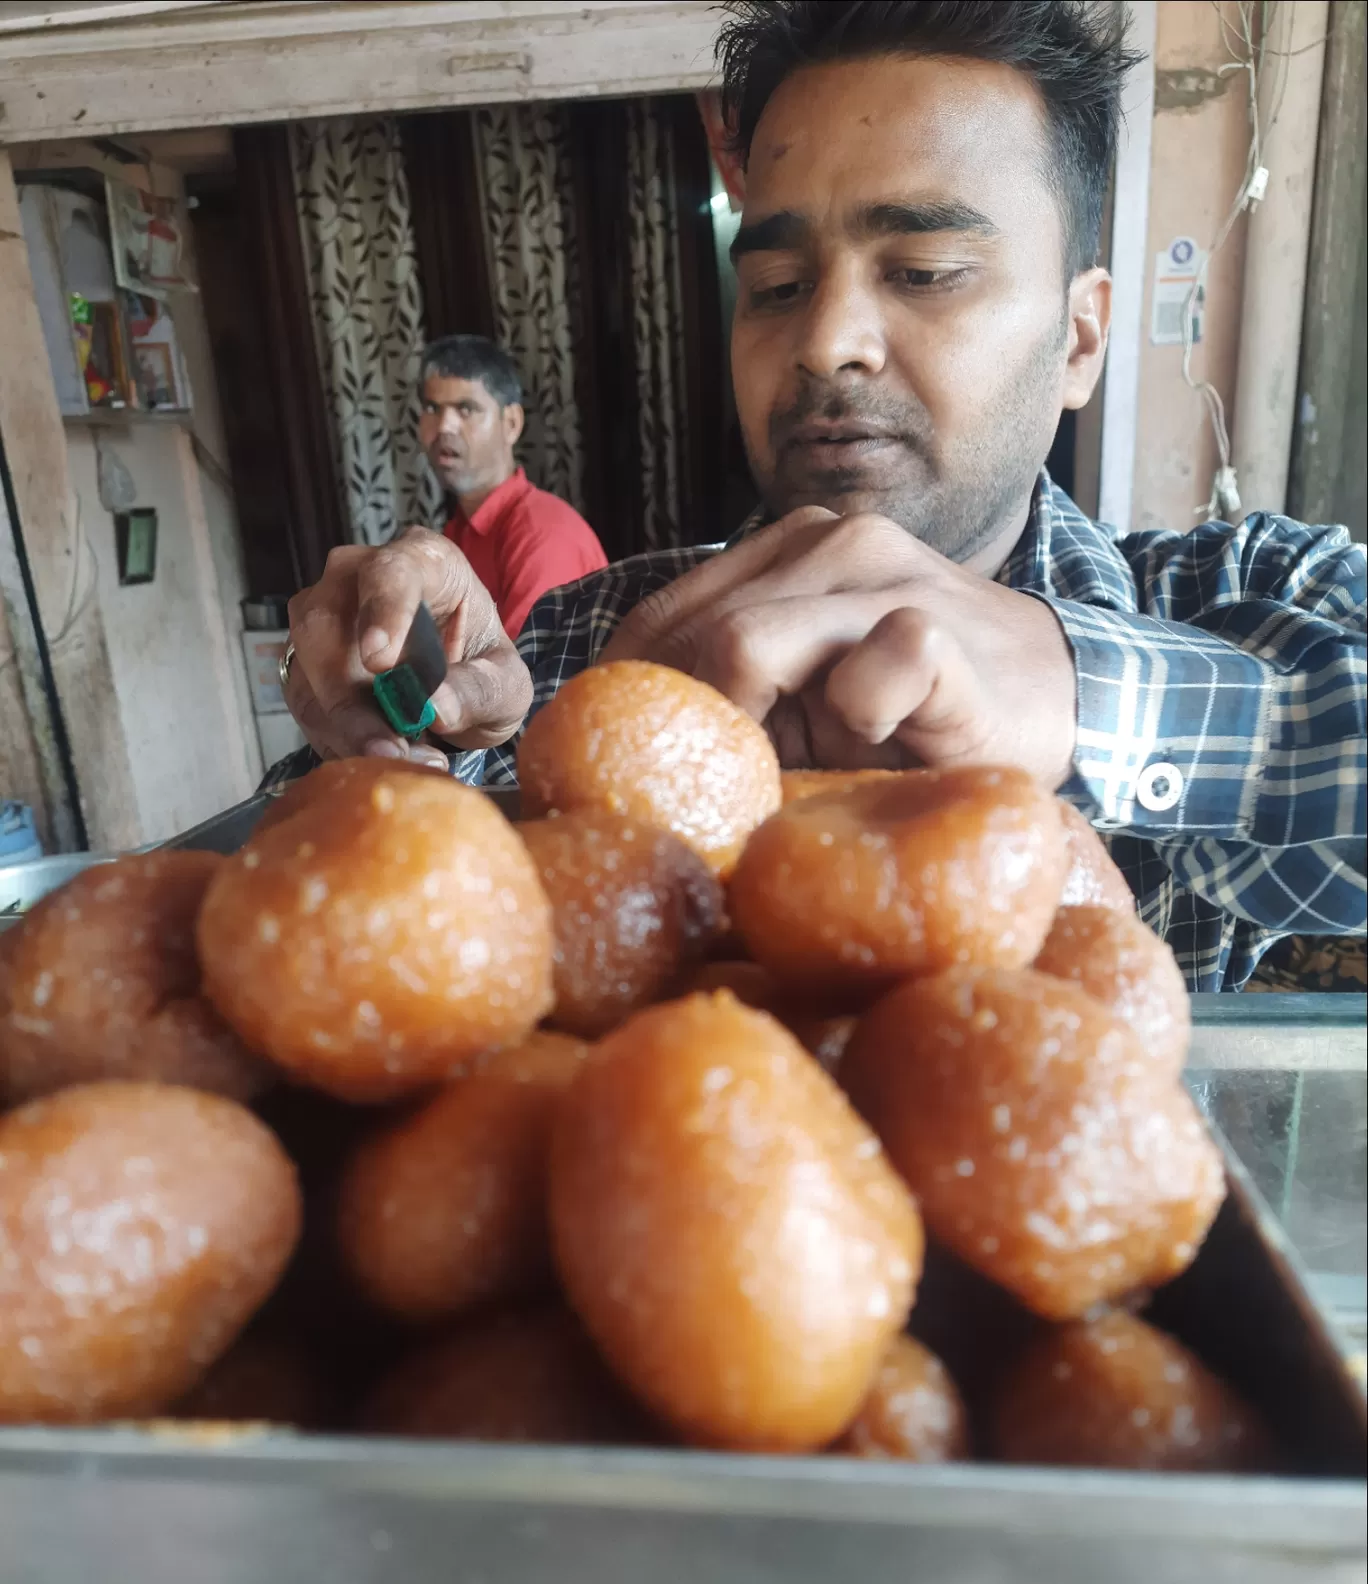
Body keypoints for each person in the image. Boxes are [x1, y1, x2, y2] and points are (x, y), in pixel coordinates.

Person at [277, 0, 1366, 992]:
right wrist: (399, 722)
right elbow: (338, 926)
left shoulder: (1258, 595)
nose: (826, 344)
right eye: (777, 288)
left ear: (1079, 338)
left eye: (926, 270)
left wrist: (1080, 687)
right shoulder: (592, 645)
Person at [416, 334, 607, 640]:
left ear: (512, 424)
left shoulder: (542, 534)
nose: (443, 427)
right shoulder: (458, 531)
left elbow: (522, 678)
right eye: (431, 408)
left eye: (465, 409)